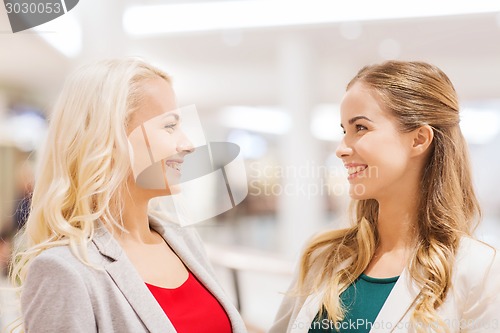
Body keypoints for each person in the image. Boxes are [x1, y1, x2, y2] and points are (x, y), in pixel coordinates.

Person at [9, 58, 247, 332]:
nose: (189, 145)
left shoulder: (182, 239)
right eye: (170, 126)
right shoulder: (64, 270)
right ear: (110, 138)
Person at [268, 60, 500, 333]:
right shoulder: (323, 257)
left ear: (419, 140)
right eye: (345, 130)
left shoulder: (479, 271)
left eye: (361, 128)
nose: (342, 149)